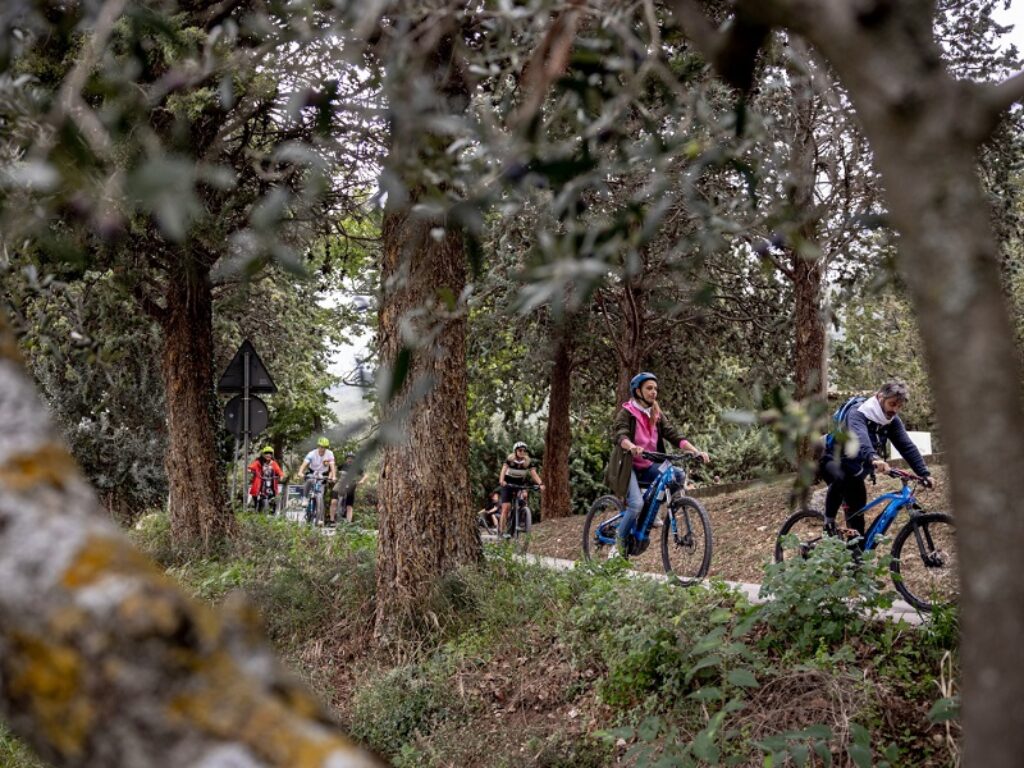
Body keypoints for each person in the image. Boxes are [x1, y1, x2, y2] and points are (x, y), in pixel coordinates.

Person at [604, 372, 709, 557]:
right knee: (635, 504)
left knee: (677, 474)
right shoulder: (627, 412)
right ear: (638, 391)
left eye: (655, 389)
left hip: (649, 464)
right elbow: (620, 434)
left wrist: (695, 451)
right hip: (628, 468)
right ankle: (617, 547)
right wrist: (631, 447)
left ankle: (657, 511)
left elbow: (674, 435)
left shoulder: (656, 414)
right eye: (649, 388)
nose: (654, 392)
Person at [819, 381, 934, 541]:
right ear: (880, 397)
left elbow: (906, 446)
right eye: (892, 404)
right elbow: (860, 438)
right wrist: (874, 458)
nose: (894, 410)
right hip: (832, 458)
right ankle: (828, 522)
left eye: (899, 406)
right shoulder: (858, 412)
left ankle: (855, 559)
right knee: (841, 480)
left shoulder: (892, 421)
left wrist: (924, 473)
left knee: (857, 513)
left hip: (856, 468)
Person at [498, 442, 544, 537]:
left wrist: (540, 483)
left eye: (524, 450)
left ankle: (521, 519)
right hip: (508, 484)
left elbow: (533, 474)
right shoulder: (510, 460)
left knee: (524, 497)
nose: (522, 452)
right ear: (515, 451)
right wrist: (502, 481)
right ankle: (502, 531)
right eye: (520, 450)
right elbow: (503, 470)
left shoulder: (527, 462)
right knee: (506, 507)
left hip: (520, 484)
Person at [295, 437, 336, 515]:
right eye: (321, 446)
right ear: (318, 446)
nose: (322, 449)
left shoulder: (330, 453)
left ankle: (319, 515)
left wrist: (333, 476)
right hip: (312, 472)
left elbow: (332, 466)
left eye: (324, 447)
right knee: (309, 480)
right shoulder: (312, 453)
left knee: (321, 493)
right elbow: (304, 464)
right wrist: (300, 472)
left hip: (323, 474)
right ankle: (305, 498)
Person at [330, 452, 365, 526]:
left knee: (349, 506)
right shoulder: (342, 466)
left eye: (352, 459)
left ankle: (348, 523)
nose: (350, 460)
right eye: (348, 458)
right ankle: (332, 520)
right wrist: (333, 476)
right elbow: (334, 469)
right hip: (340, 483)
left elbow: (365, 475)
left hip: (351, 484)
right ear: (346, 459)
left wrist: (362, 480)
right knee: (333, 502)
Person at [247, 446, 284, 513]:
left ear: (272, 455)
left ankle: (273, 511)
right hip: (260, 482)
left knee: (274, 496)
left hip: (270, 483)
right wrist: (250, 470)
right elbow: (251, 467)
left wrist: (281, 476)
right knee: (255, 497)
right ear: (263, 454)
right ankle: (254, 509)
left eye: (270, 453)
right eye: (266, 453)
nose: (268, 455)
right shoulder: (258, 462)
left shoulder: (273, 463)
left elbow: (279, 471)